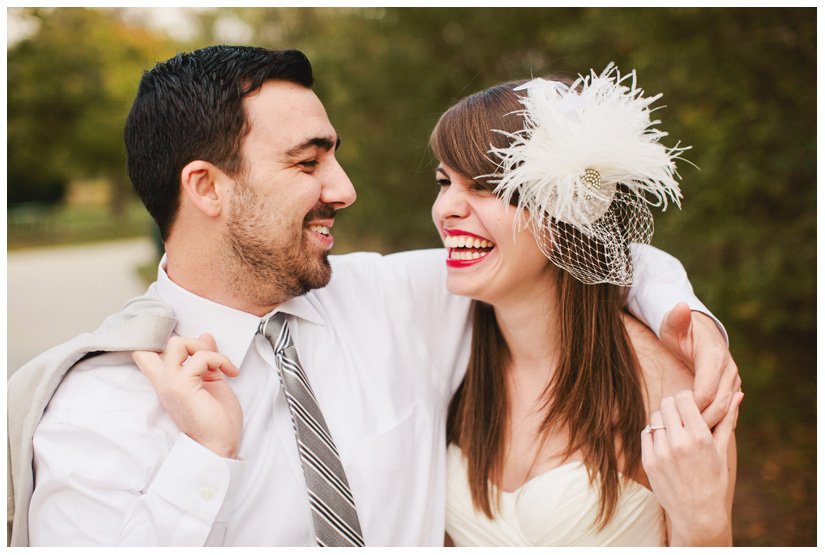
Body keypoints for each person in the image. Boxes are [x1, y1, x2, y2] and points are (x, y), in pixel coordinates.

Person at [7, 46, 738, 547]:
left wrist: (686, 318)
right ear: (206, 187)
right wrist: (203, 457)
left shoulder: (395, 300)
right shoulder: (96, 411)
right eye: (308, 162)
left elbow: (570, 247)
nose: (344, 189)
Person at [428, 69, 740, 546]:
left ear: (569, 209)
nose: (446, 208)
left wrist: (706, 523)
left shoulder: (666, 385)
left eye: (483, 186)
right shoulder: (454, 355)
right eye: (444, 182)